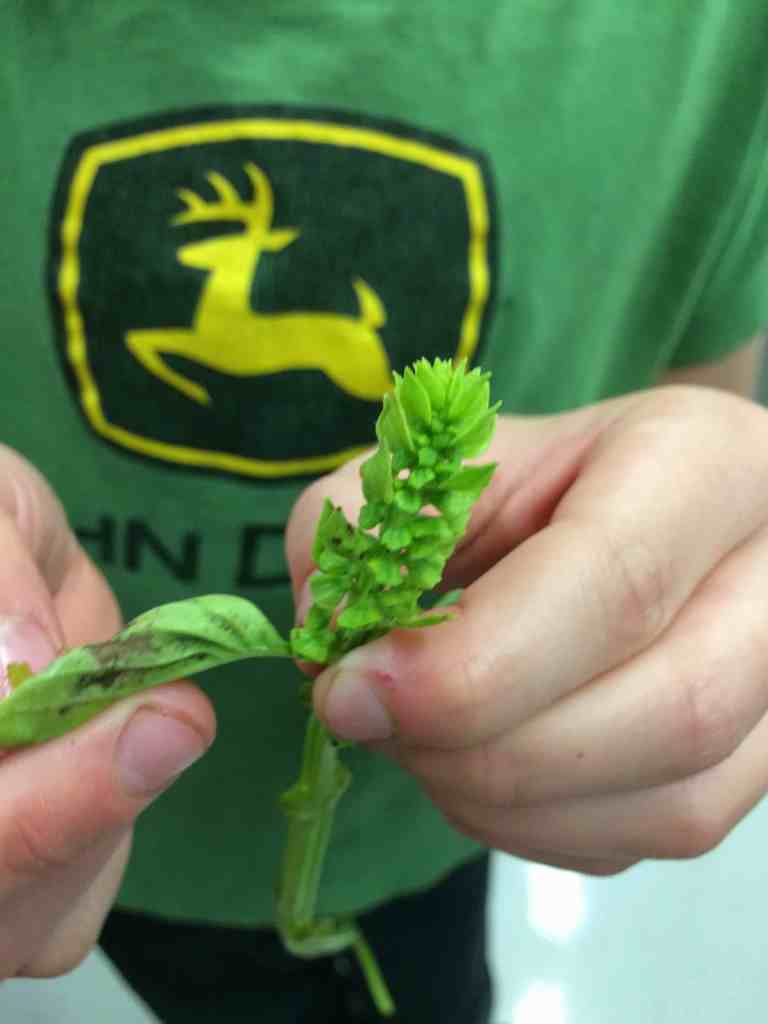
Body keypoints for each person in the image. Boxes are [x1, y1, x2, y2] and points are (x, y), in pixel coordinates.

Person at [1, 3, 768, 1022]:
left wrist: (710, 546)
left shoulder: (712, 37)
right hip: (95, 800)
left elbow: (705, 412)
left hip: (411, 822)